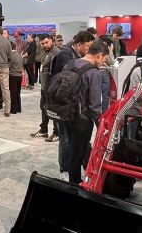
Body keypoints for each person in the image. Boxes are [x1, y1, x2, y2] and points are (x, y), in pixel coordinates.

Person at [61, 41, 109, 185]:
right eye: (104, 60)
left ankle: (73, 176)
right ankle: (75, 183)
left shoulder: (71, 63)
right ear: (99, 55)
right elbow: (95, 104)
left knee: (72, 147)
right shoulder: (93, 72)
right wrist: (99, 123)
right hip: (82, 119)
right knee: (77, 153)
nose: (103, 63)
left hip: (66, 113)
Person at [50, 30, 95, 178]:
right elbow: (66, 81)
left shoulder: (78, 56)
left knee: (79, 141)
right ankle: (65, 170)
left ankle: (84, 167)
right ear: (79, 45)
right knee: (66, 140)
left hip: (75, 106)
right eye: (88, 46)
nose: (90, 49)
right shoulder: (66, 55)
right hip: (65, 105)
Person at [30, 34, 59, 141]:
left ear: (51, 40)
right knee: (43, 108)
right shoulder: (46, 51)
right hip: (44, 87)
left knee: (53, 110)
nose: (45, 45)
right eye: (42, 43)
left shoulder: (56, 53)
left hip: (52, 87)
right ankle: (43, 130)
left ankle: (57, 132)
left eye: (47, 42)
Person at [9, 47, 23, 113]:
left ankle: (13, 109)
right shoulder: (19, 54)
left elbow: (8, 66)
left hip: (13, 76)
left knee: (13, 93)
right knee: (18, 93)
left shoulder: (11, 55)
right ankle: (18, 108)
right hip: (20, 76)